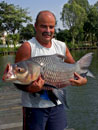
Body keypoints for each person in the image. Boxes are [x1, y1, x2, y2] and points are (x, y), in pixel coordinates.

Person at [15, 10, 87, 130]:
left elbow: (76, 69)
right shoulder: (27, 47)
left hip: (57, 105)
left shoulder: (61, 46)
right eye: (43, 26)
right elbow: (16, 80)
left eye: (51, 27)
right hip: (34, 109)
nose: (48, 31)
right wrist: (30, 88)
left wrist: (83, 80)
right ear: (36, 26)